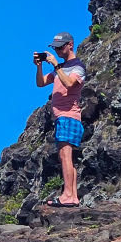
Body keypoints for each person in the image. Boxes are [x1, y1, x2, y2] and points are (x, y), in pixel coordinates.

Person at [33, 32, 86, 206]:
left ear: (70, 45)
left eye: (60, 47)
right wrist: (39, 67)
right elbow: (40, 83)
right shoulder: (62, 67)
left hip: (69, 116)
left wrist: (56, 67)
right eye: (55, 48)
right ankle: (72, 196)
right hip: (62, 117)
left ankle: (68, 196)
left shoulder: (77, 67)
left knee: (65, 155)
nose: (57, 50)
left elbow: (70, 84)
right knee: (66, 156)